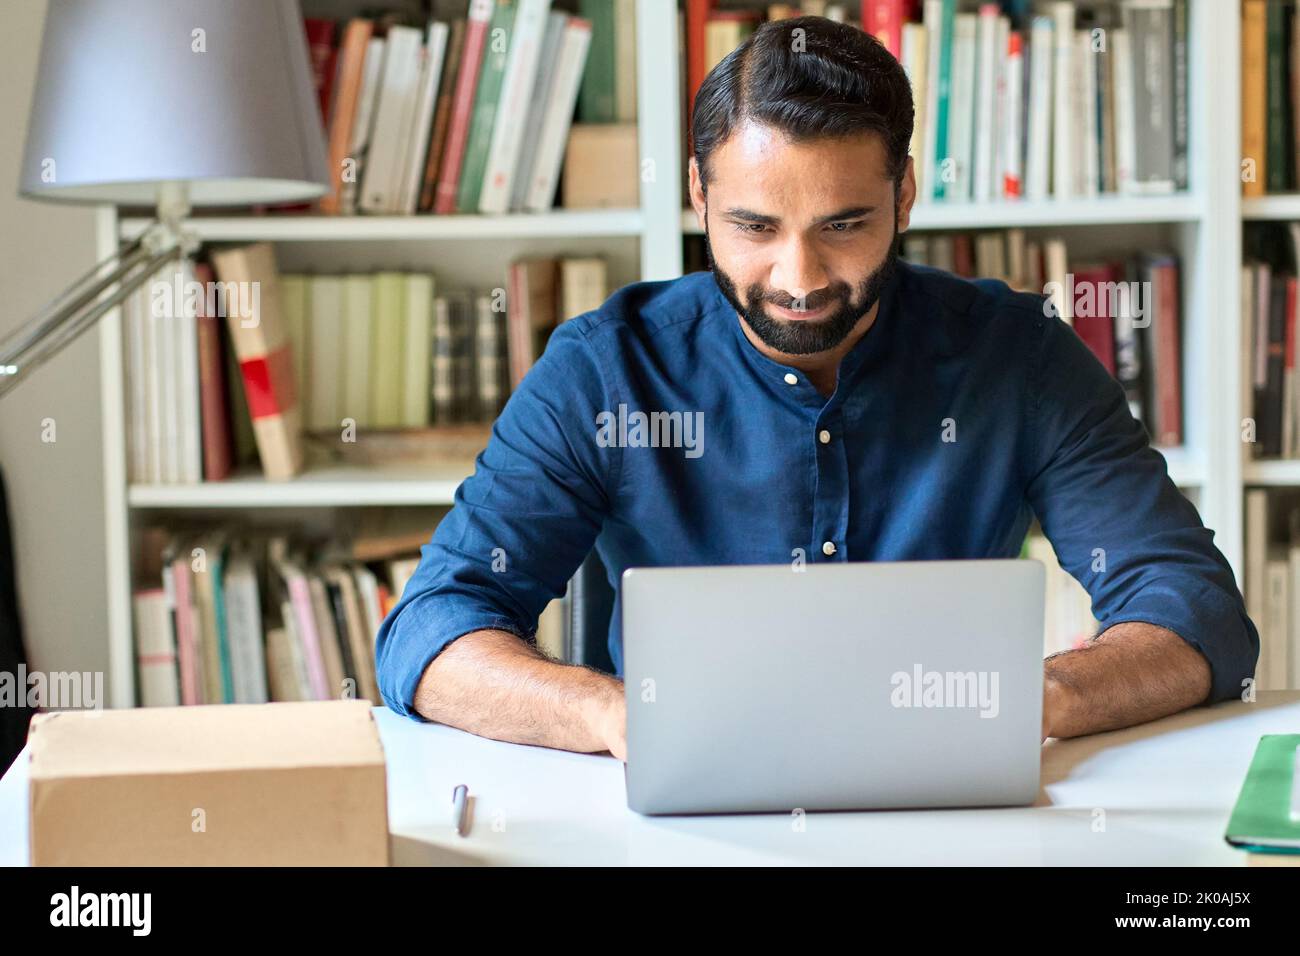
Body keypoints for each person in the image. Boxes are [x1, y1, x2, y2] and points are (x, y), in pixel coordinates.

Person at [375, 16, 1258, 761]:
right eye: (754, 226)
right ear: (697, 196)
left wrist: (1039, 700)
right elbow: (432, 631)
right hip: (675, 814)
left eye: (844, 225)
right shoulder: (603, 372)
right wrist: (614, 717)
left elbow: (1197, 614)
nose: (798, 277)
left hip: (955, 808)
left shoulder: (1019, 359)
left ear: (904, 195)